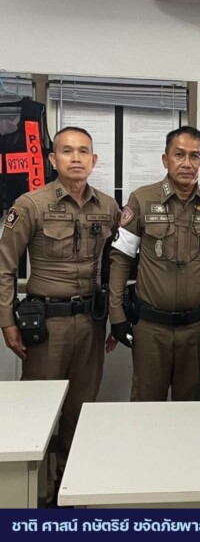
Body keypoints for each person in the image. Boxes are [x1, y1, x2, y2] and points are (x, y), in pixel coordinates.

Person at [0, 126, 119, 498]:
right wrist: (6, 321)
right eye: (67, 151)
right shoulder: (30, 205)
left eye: (84, 151)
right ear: (53, 159)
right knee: (37, 411)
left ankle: (69, 487)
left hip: (91, 322)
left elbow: (116, 266)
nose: (76, 158)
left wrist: (117, 318)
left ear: (94, 160)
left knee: (80, 409)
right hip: (46, 325)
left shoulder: (108, 207)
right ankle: (34, 491)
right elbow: (4, 266)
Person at [108, 126, 200, 402]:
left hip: (197, 329)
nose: (187, 163)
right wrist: (116, 315)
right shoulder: (142, 199)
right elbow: (120, 259)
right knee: (146, 405)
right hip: (151, 328)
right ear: (165, 160)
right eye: (179, 155)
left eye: (195, 156)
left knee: (193, 406)